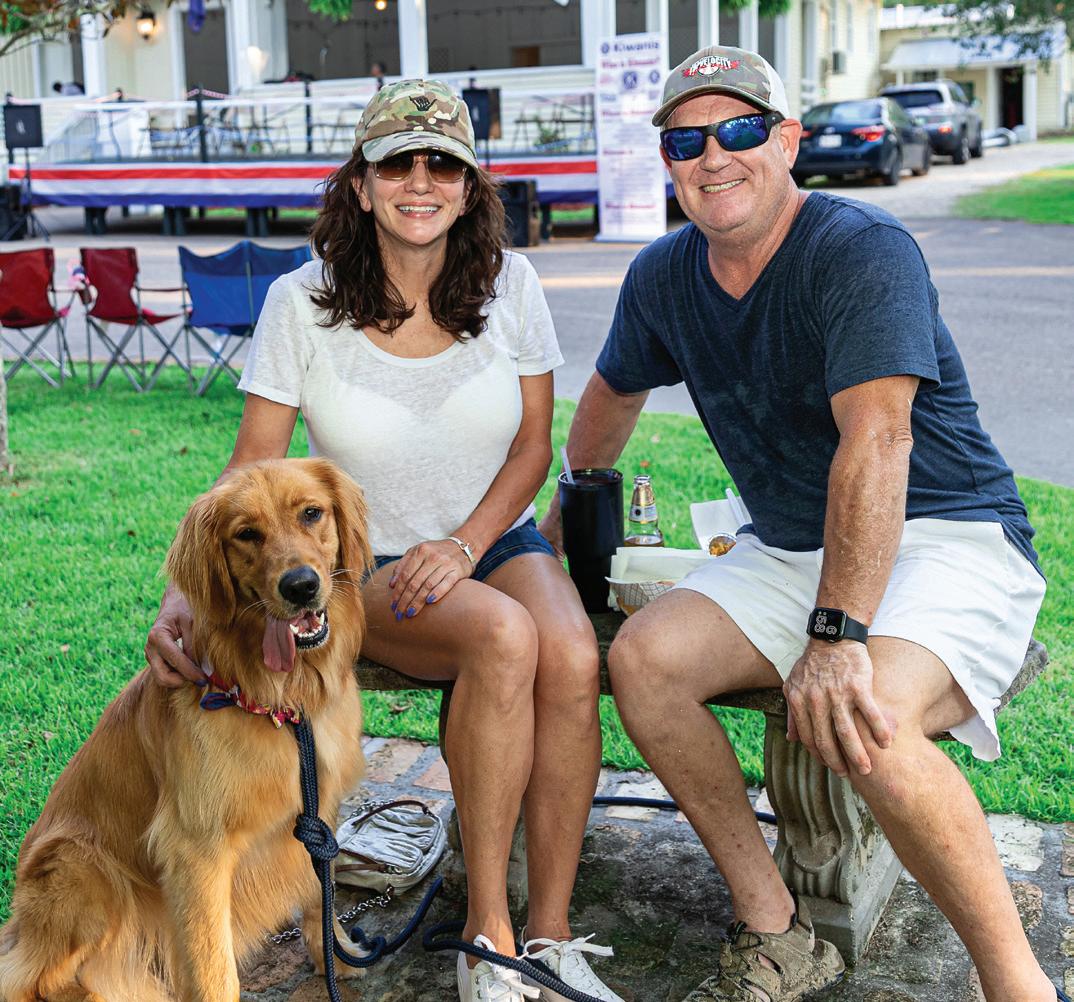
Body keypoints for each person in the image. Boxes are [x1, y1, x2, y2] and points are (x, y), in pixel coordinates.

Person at [540, 45, 1060, 1002]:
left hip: (946, 531)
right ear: (669, 162)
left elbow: (880, 442)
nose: (713, 156)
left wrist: (836, 634)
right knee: (645, 662)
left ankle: (1014, 981)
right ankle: (778, 927)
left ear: (786, 141)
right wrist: (567, 507)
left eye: (738, 129)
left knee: (869, 717)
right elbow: (612, 392)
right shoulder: (663, 275)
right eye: (686, 140)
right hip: (790, 540)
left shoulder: (859, 247)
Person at [144, 79, 624, 1002]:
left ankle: (552, 933)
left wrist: (467, 543)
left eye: (443, 164)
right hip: (361, 563)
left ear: (470, 187)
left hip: (492, 538)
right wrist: (180, 597)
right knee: (502, 638)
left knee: (570, 653)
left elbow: (534, 446)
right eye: (397, 163)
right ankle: (487, 935)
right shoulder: (301, 301)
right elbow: (252, 463)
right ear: (361, 186)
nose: (420, 181)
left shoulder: (513, 284)